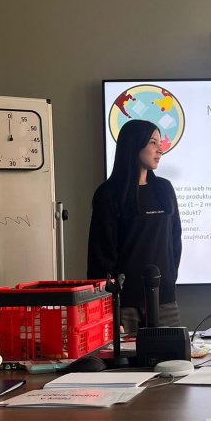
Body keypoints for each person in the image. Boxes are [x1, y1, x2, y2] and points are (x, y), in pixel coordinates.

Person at [88, 119, 182, 334]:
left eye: (159, 143)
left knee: (169, 354)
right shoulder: (108, 194)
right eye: (153, 143)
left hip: (165, 301)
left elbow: (175, 242)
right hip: (123, 305)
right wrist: (105, 309)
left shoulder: (164, 189)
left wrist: (168, 280)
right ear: (134, 145)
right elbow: (100, 257)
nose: (160, 149)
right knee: (125, 356)